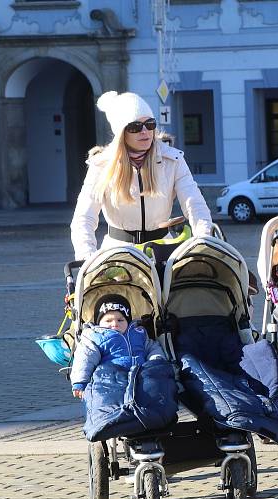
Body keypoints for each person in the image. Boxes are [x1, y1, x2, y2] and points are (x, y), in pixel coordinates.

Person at [71, 91, 213, 261]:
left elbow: (195, 205)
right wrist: (86, 258)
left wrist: (204, 242)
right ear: (121, 133)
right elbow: (84, 219)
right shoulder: (101, 165)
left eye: (150, 124)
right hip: (118, 255)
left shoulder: (173, 160)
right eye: (135, 127)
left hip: (163, 253)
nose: (144, 131)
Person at [69, 294, 166, 398]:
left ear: (128, 321)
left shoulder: (138, 332)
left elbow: (152, 348)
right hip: (110, 381)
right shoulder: (95, 337)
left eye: (120, 320)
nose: (115, 324)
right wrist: (80, 382)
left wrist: (156, 361)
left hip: (141, 376)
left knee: (158, 389)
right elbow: (85, 359)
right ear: (99, 323)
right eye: (108, 321)